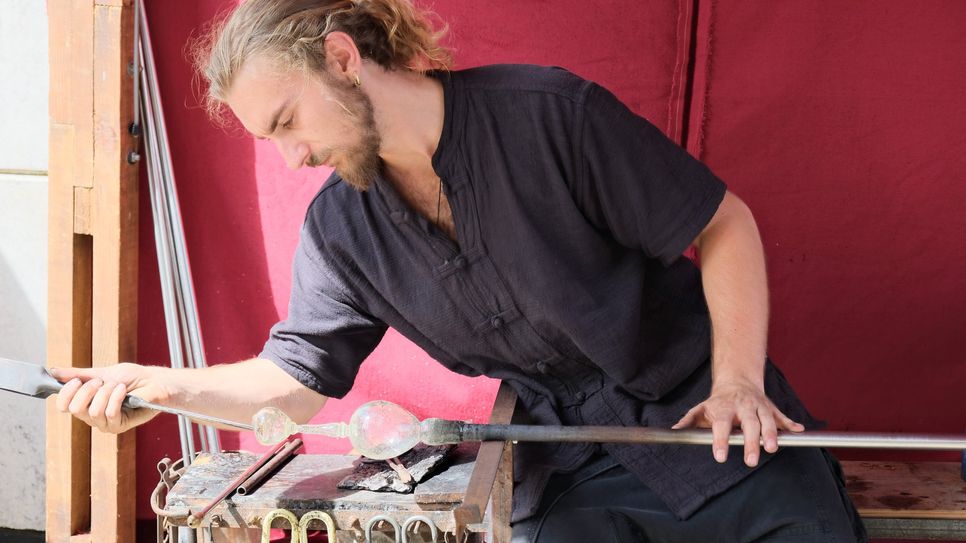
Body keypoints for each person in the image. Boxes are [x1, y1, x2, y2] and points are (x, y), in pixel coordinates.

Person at [53, 1, 867, 541]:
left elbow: (724, 223)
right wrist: (155, 386)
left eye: (288, 121)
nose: (293, 156)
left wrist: (736, 382)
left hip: (711, 425)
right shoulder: (342, 231)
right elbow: (293, 380)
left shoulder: (551, 115)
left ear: (342, 56)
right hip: (567, 465)